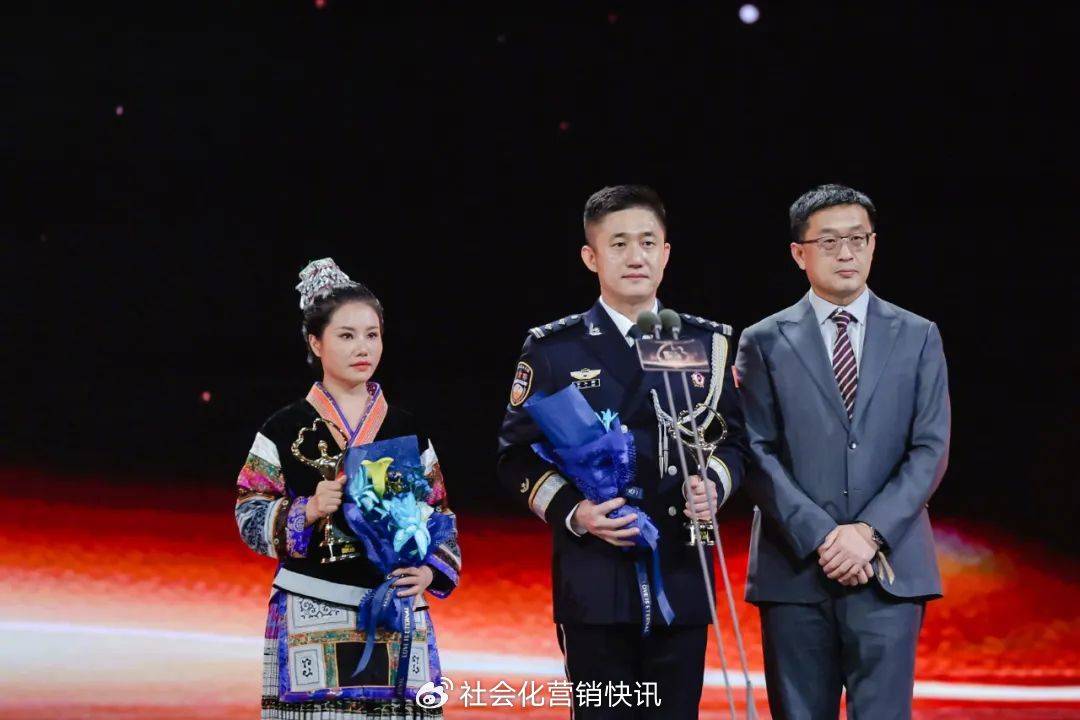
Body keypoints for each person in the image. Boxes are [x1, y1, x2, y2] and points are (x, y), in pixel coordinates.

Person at [496, 185, 749, 719]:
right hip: (595, 577)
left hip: (682, 570)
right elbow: (514, 456)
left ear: (666, 253)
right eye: (618, 244)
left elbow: (734, 440)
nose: (636, 256)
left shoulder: (703, 342)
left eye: (648, 242)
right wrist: (576, 513)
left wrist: (714, 485)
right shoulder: (554, 349)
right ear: (591, 257)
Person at [735, 184, 950, 719]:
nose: (846, 253)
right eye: (828, 242)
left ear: (874, 244)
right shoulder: (763, 341)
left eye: (858, 239)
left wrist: (868, 534)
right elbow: (755, 450)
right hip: (795, 570)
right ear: (799, 253)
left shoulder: (918, 335)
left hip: (890, 570)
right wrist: (824, 537)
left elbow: (930, 448)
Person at [235, 258, 461, 719]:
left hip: (396, 607)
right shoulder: (283, 428)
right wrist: (305, 509)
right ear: (315, 342)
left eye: (372, 335)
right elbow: (249, 511)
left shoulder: (406, 428)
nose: (363, 347)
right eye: (346, 335)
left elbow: (439, 513)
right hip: (313, 605)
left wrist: (430, 572)